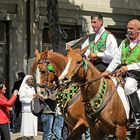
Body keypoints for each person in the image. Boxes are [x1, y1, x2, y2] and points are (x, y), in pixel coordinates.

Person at [101, 19, 140, 129]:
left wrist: (128, 67)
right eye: (128, 28)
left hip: (137, 73)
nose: (128, 30)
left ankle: (138, 117)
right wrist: (107, 71)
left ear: (139, 30)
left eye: (131, 28)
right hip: (123, 72)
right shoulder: (124, 43)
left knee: (129, 87)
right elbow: (116, 60)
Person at [19, 75, 38, 140]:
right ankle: (25, 137)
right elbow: (22, 99)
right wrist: (31, 98)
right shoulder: (23, 88)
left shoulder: (32, 88)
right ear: (26, 80)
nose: (32, 81)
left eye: (32, 79)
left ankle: (31, 137)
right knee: (26, 125)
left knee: (32, 124)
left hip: (33, 109)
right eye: (30, 79)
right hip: (27, 109)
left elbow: (33, 96)